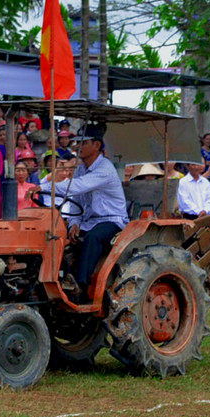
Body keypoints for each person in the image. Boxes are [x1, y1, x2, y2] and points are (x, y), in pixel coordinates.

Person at [64, 124, 125, 292]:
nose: (78, 147)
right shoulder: (80, 170)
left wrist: (48, 187)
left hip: (110, 220)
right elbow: (75, 201)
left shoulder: (104, 168)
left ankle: (80, 285)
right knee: (58, 237)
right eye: (77, 143)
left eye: (83, 143)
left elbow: (77, 186)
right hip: (87, 221)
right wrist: (74, 223)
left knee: (93, 238)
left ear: (97, 145)